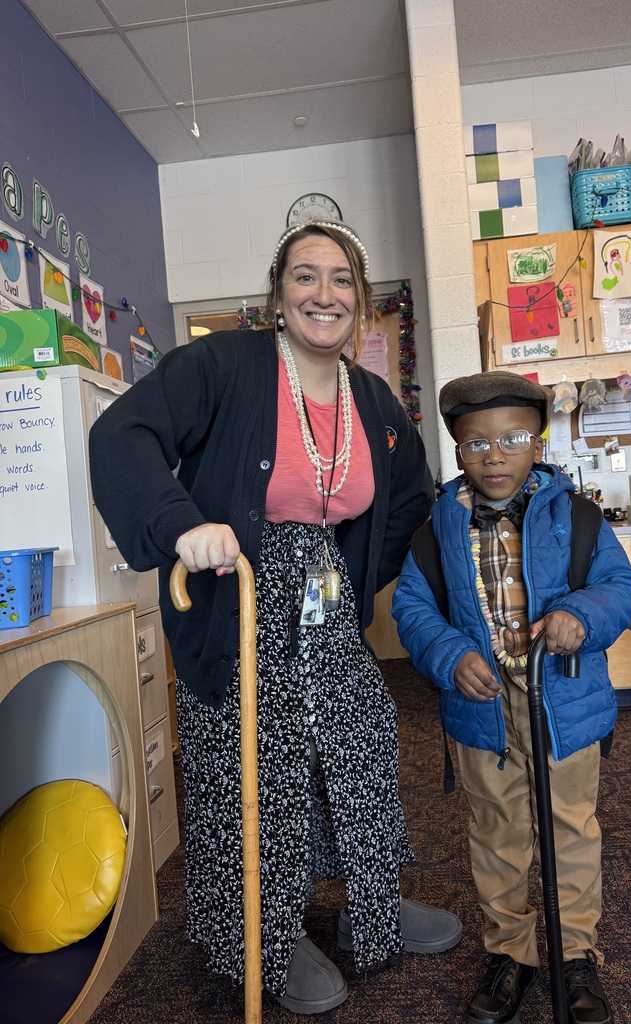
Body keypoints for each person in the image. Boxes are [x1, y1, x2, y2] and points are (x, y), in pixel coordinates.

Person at [88, 219, 462, 1013]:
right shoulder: (222, 366)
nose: (323, 294)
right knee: (257, 771)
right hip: (237, 605)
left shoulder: (373, 400)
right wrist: (181, 524)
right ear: (278, 293)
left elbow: (406, 501)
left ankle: (374, 905)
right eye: (305, 276)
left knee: (361, 745)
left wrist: (358, 580)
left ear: (360, 300)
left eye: (340, 280)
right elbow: (122, 434)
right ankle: (264, 932)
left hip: (327, 611)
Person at [391, 371, 631, 1024]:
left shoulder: (577, 516)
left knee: (570, 828)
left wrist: (582, 616)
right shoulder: (437, 530)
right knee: (497, 831)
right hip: (482, 707)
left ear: (537, 444)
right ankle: (511, 950)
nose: (494, 455)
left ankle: (575, 952)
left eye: (512, 439)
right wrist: (450, 656)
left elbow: (620, 583)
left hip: (564, 701)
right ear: (457, 451)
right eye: (477, 444)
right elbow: (414, 608)